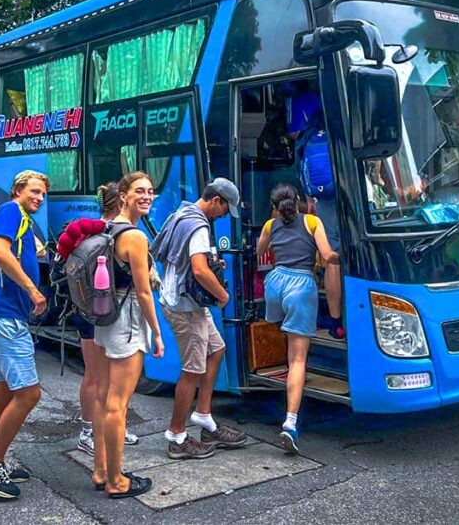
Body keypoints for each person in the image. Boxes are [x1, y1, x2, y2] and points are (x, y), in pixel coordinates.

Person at [152, 177, 248, 459]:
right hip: (184, 306)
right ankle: (177, 437)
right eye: (223, 209)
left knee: (216, 350)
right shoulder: (198, 226)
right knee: (192, 369)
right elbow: (199, 270)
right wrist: (223, 295)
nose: (222, 215)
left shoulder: (181, 212)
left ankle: (204, 418)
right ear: (216, 200)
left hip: (186, 301)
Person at [0, 170, 49, 500]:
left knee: (3, 394)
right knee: (29, 395)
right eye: (34, 191)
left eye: (43, 194)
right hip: (5, 319)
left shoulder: (22, 220)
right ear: (17, 189)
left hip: (1, 316)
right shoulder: (9, 211)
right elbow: (0, 253)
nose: (39, 198)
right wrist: (33, 291)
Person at [89, 172, 165, 497]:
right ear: (123, 195)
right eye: (139, 191)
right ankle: (117, 481)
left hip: (106, 318)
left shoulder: (107, 226)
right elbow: (144, 293)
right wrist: (158, 335)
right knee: (117, 405)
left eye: (150, 191)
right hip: (128, 318)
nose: (146, 196)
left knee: (106, 398)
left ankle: (101, 469)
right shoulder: (135, 236)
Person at [255, 183, 339, 454]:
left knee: (288, 335)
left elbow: (259, 252)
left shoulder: (270, 224)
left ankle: (293, 376)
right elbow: (327, 256)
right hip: (300, 286)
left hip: (275, 286)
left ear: (275, 205)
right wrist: (345, 255)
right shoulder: (313, 221)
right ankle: (290, 423)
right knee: (298, 359)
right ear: (300, 201)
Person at [64, 183, 140, 456]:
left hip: (93, 311)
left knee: (105, 376)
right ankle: (87, 432)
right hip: (101, 311)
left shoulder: (96, 231)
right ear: (121, 201)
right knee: (99, 376)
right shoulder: (110, 233)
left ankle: (109, 426)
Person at [289, 85, 345, 340]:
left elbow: (297, 149)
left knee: (332, 257)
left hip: (323, 197)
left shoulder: (305, 123)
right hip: (349, 195)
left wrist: (310, 197)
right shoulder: (343, 116)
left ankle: (336, 321)